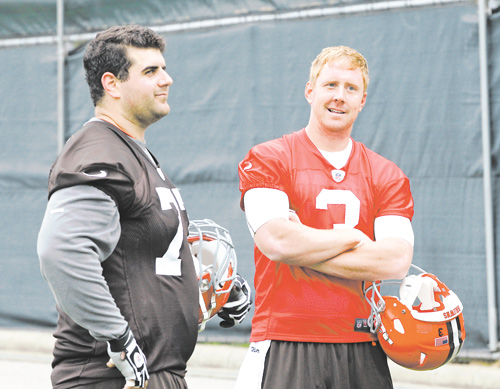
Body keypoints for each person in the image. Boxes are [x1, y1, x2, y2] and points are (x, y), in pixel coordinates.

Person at [37, 25, 250, 389]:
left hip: (154, 372)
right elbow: (61, 251)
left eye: (164, 68)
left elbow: (144, 251)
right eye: (150, 71)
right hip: (109, 375)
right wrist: (117, 338)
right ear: (112, 84)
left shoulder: (131, 151)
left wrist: (220, 286)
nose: (166, 79)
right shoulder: (98, 152)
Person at [235, 46, 415, 388]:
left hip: (363, 342)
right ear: (310, 91)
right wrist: (354, 238)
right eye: (330, 84)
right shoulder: (269, 158)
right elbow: (276, 241)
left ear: (362, 100)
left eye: (351, 88)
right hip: (286, 338)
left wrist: (303, 245)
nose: (339, 97)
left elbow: (395, 261)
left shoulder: (387, 174)